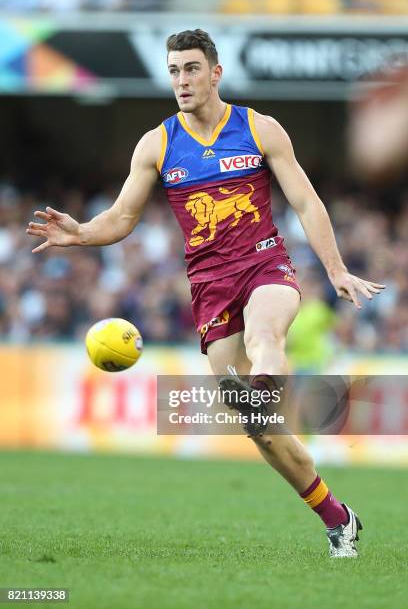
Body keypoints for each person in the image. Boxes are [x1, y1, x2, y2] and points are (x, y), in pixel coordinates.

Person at [27, 29, 385, 557]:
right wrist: (79, 233)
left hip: (265, 264)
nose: (181, 80)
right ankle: (338, 518)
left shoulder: (260, 129)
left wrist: (334, 270)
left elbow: (306, 202)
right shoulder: (157, 143)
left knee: (266, 338)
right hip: (210, 287)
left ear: (215, 73)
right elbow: (123, 217)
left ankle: (265, 387)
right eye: (173, 71)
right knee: (261, 433)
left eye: (191, 69)